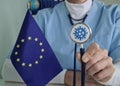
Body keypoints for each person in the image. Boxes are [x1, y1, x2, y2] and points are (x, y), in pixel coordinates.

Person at [34, 0, 120, 85]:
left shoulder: (115, 15)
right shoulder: (42, 18)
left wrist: (110, 75)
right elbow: (24, 69)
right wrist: (66, 76)